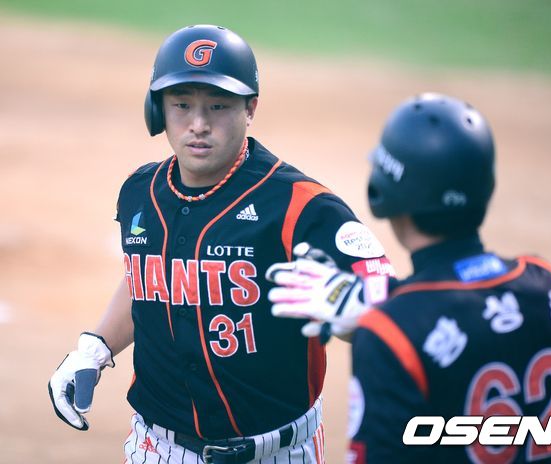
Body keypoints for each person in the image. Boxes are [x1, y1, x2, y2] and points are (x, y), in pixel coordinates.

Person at [48, 24, 392, 464]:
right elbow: (149, 276)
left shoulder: (300, 204)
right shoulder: (140, 192)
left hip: (278, 452)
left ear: (250, 108)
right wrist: (95, 347)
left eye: (218, 106)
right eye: (182, 105)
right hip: (158, 447)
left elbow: (388, 301)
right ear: (157, 110)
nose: (198, 124)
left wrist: (354, 315)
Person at [266, 93, 551, 463]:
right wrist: (379, 299)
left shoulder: (387, 334)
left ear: (384, 193)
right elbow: (459, 299)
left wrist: (381, 316)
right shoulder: (543, 282)